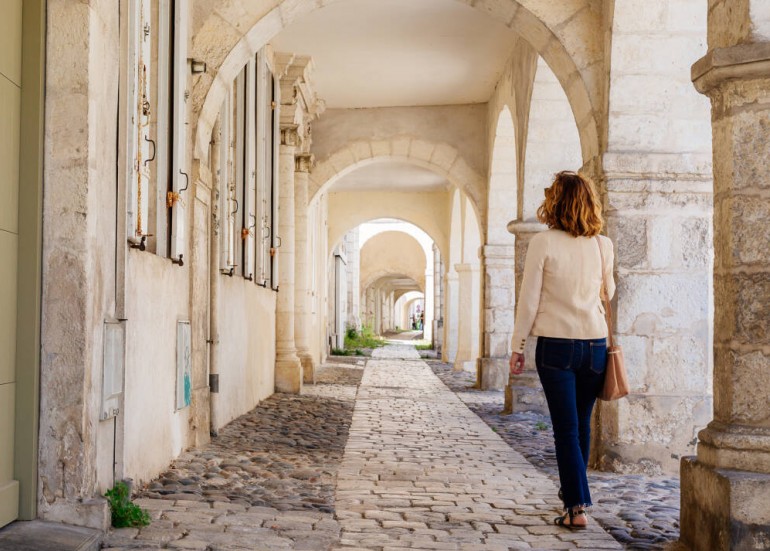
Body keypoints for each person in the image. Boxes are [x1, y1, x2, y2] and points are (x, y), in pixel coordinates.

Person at [508, 171, 615, 530]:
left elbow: (529, 301)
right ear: (589, 203)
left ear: (555, 202)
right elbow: (608, 293)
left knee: (566, 429)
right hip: (595, 345)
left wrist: (518, 345)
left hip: (556, 346)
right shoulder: (603, 245)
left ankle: (576, 507)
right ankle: (575, 495)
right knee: (580, 424)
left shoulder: (545, 243)